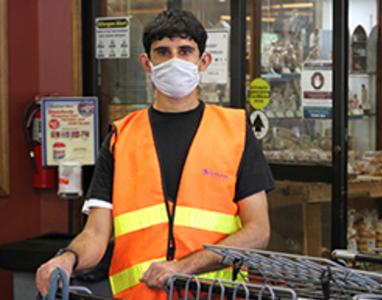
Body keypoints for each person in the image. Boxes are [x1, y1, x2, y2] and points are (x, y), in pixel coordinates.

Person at [36, 9, 275, 300]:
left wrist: (185, 266)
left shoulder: (235, 131)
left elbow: (258, 230)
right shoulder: (121, 138)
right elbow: (96, 233)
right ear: (146, 64)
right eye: (163, 52)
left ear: (203, 61)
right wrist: (67, 258)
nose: (174, 60)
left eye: (185, 51)